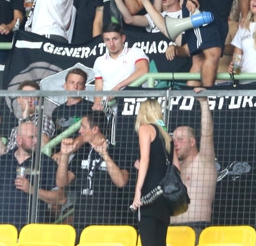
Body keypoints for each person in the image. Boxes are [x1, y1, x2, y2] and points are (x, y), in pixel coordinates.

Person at [56, 111, 131, 232]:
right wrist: (65, 155)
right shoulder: (83, 152)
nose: (80, 131)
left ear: (95, 129)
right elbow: (61, 183)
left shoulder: (117, 151)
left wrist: (105, 155)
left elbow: (121, 182)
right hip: (82, 221)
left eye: (83, 127)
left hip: (109, 222)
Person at [0, 122, 63, 229]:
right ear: (19, 140)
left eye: (37, 137)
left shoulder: (47, 163)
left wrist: (31, 189)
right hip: (3, 232)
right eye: (31, 137)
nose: (36, 141)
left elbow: (60, 198)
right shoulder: (2, 162)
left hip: (33, 232)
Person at [132, 99, 173, 246]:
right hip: (164, 195)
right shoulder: (167, 136)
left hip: (150, 192)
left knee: (148, 240)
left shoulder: (146, 129)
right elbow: (174, 167)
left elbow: (145, 160)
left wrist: (138, 191)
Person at [171, 98, 216, 234]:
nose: (176, 143)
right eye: (174, 140)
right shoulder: (173, 167)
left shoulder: (203, 161)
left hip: (196, 228)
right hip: (169, 231)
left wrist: (203, 103)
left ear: (192, 142)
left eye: (180, 139)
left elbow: (207, 134)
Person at [92, 23, 149, 110]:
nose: (111, 43)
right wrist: (97, 104)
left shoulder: (135, 52)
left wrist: (118, 87)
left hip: (132, 107)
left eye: (115, 39)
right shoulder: (99, 61)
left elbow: (143, 70)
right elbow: (99, 88)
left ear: (123, 38)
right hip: (108, 110)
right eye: (107, 40)